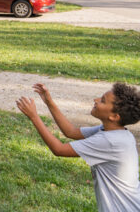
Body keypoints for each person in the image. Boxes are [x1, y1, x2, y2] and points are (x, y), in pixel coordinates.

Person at [17, 82, 140, 211]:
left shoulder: (110, 141)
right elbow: (70, 132)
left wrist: (34, 116)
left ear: (114, 116)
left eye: (103, 101)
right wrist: (49, 102)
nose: (96, 100)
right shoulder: (113, 132)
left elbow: (59, 149)